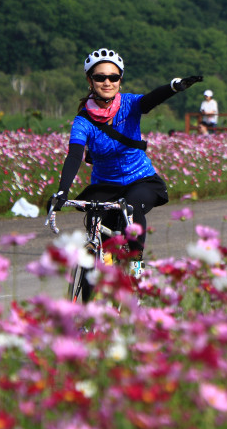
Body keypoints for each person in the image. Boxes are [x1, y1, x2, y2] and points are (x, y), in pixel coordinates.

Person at [48, 48, 202, 270]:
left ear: (120, 80)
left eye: (113, 77)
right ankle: (95, 283)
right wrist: (62, 191)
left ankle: (136, 266)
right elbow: (74, 155)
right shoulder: (82, 121)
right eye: (100, 77)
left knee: (131, 207)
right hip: (104, 185)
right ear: (89, 81)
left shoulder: (129, 104)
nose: (107, 82)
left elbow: (150, 100)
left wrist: (173, 87)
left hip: (140, 180)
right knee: (96, 233)